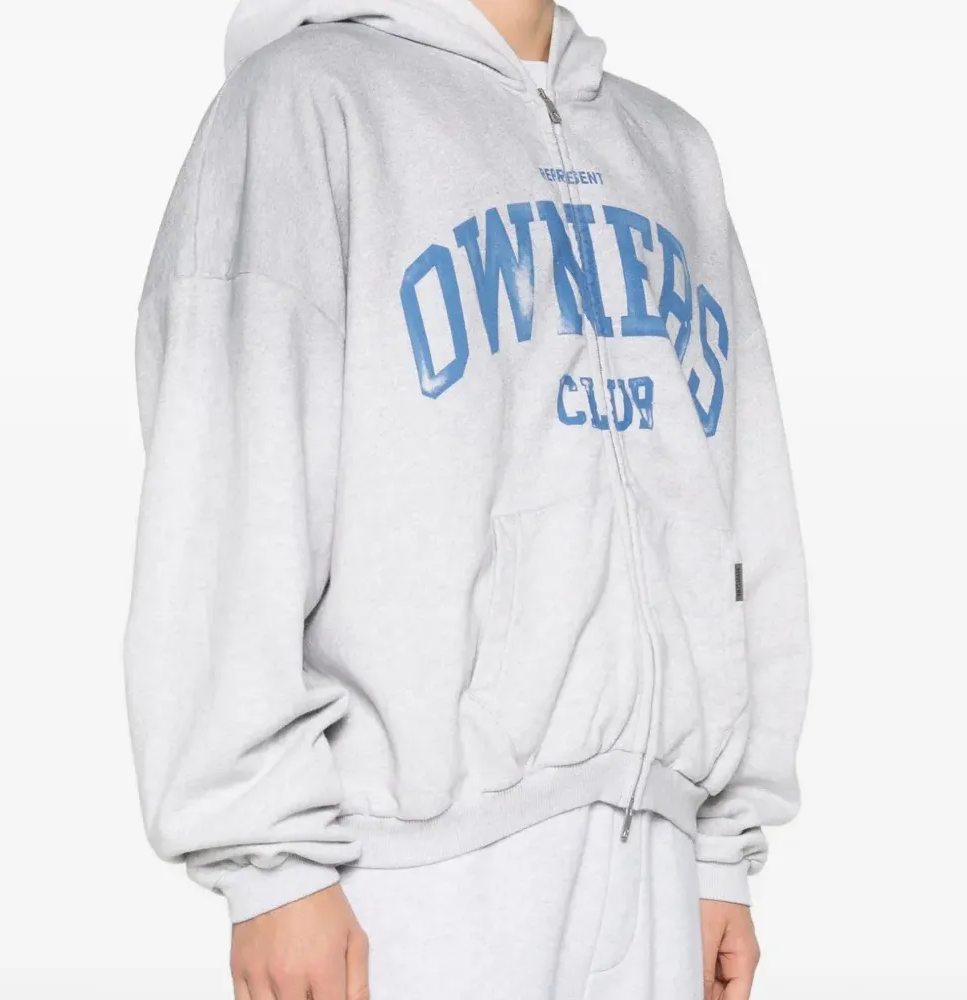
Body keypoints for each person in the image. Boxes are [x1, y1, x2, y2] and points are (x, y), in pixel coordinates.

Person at [124, 0, 812, 997]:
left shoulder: (669, 149)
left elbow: (742, 500)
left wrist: (716, 843)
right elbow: (229, 488)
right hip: (407, 870)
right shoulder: (308, 103)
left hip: (658, 861)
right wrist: (270, 866)